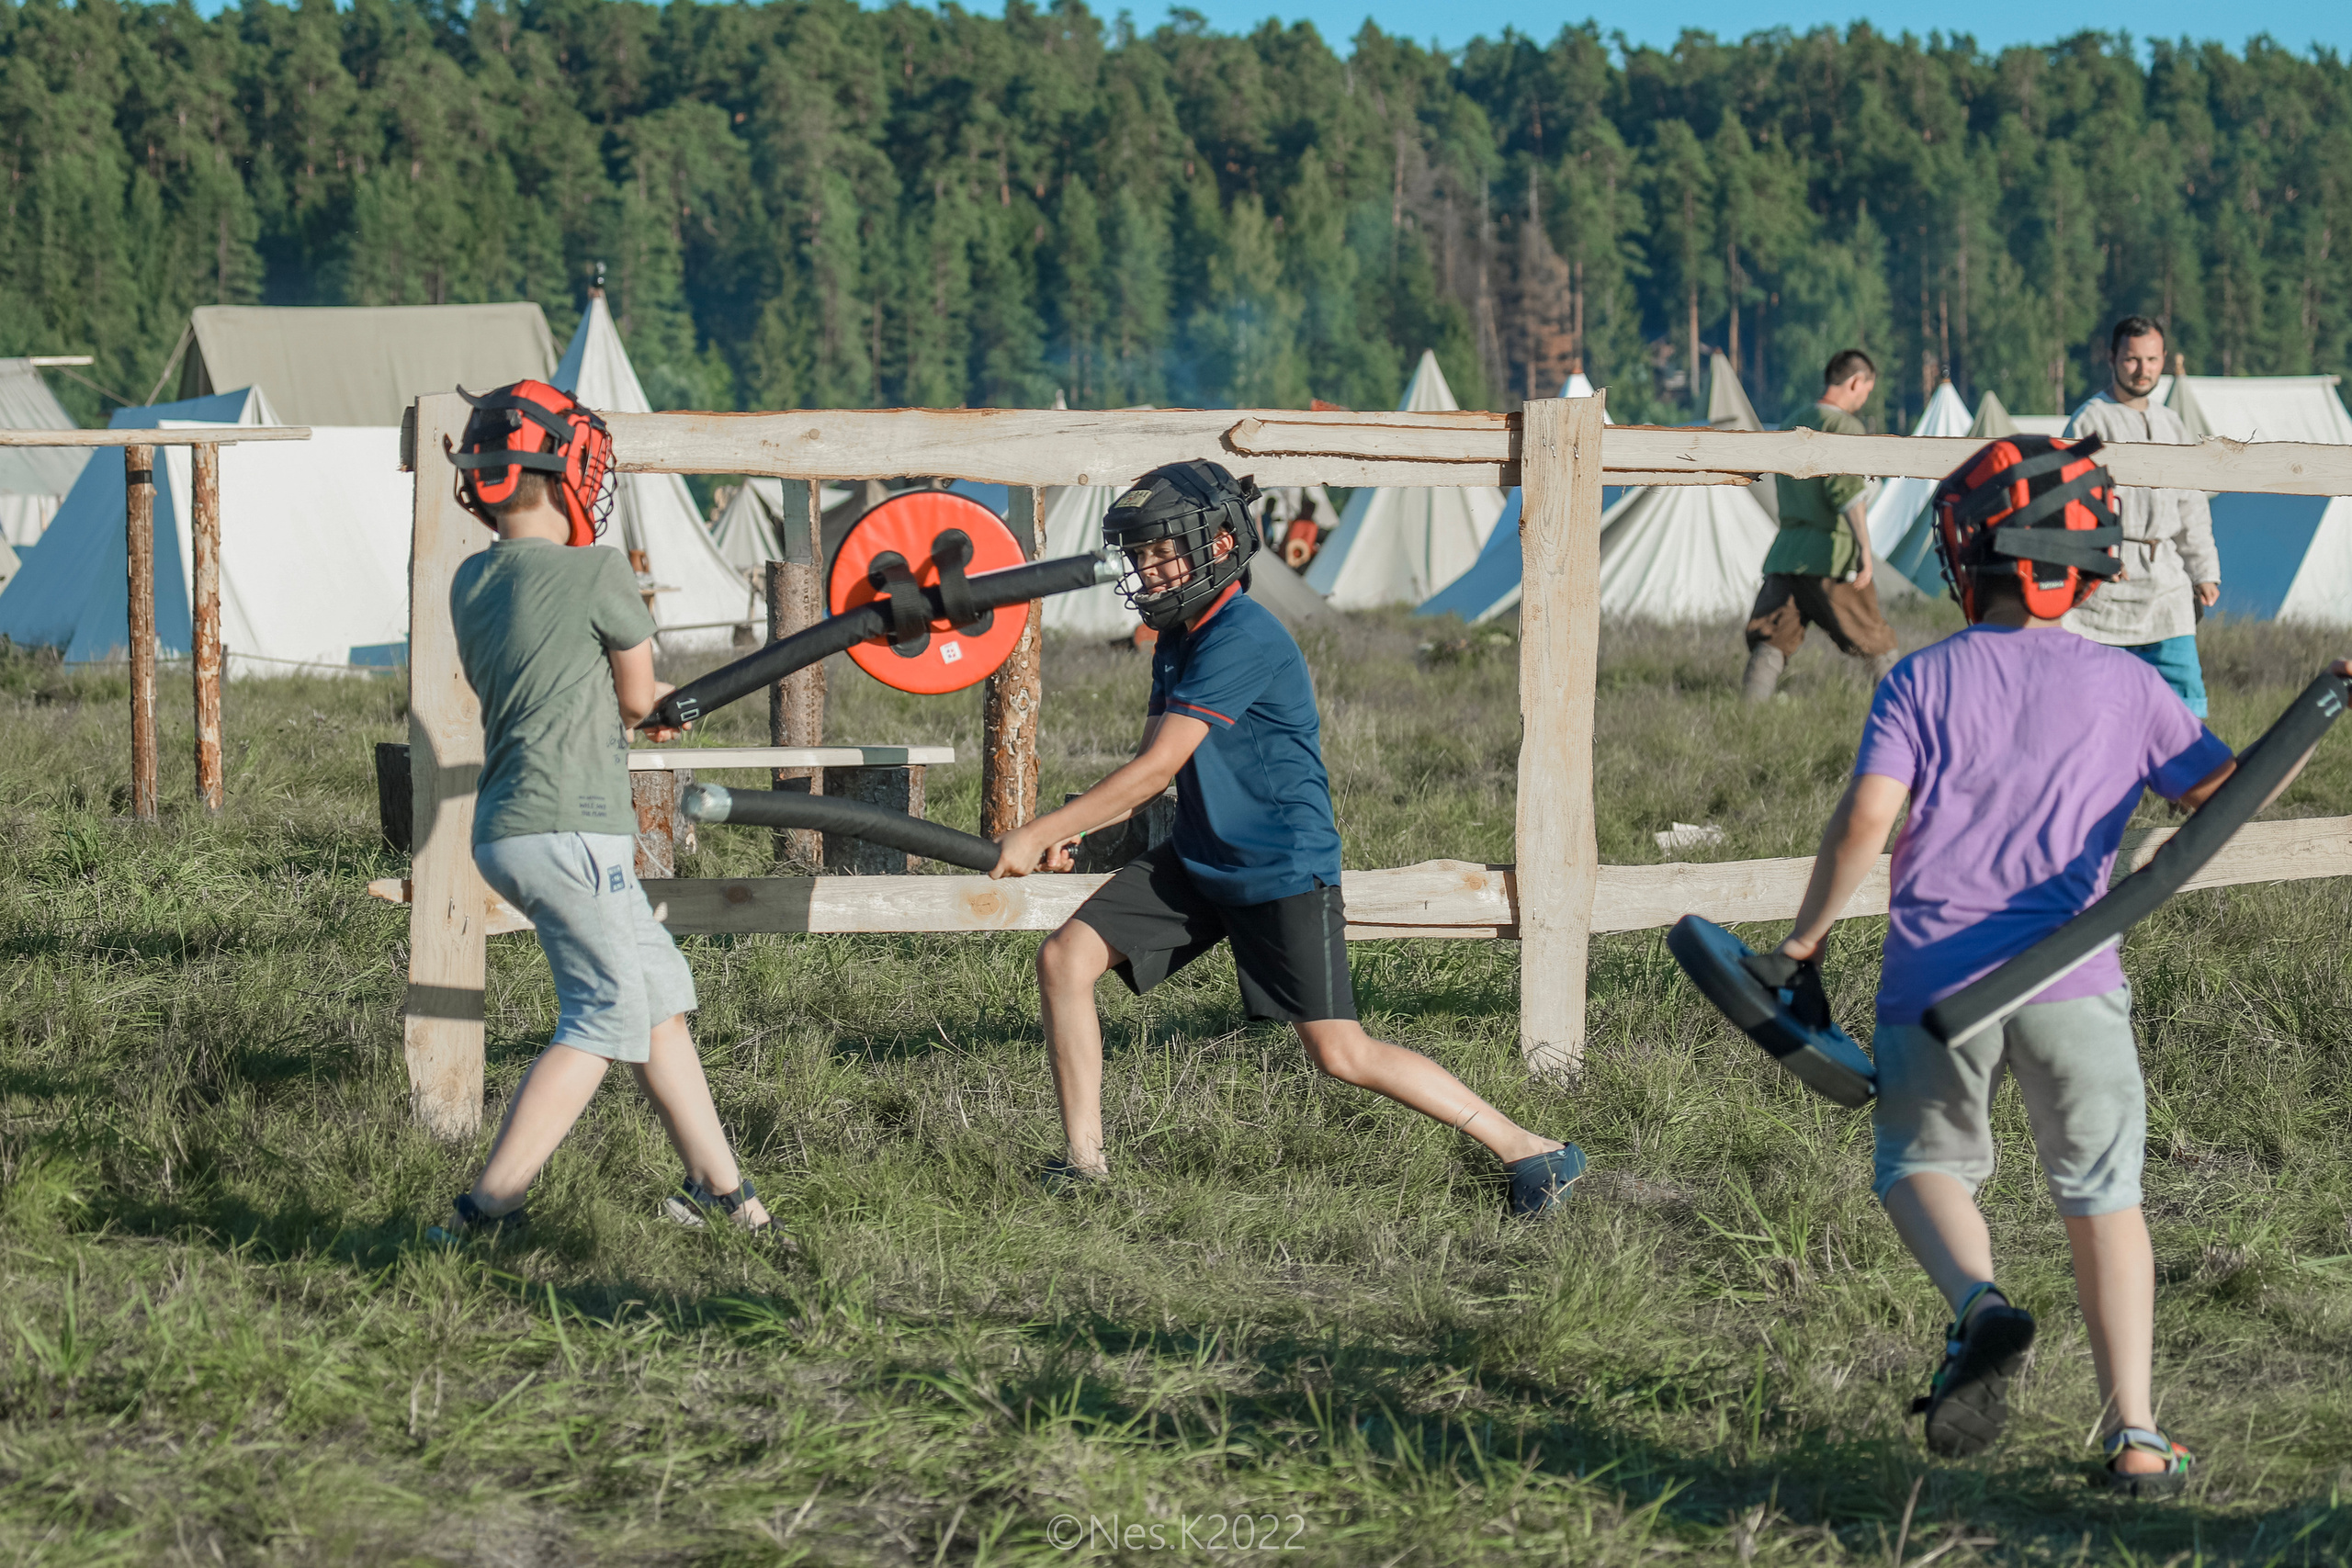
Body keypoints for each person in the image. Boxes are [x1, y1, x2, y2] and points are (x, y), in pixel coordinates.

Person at [1768, 434, 2335, 1492]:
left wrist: (1804, 943)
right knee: (2103, 1196)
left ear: (1965, 556)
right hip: (2072, 981)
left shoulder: (1921, 683)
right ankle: (2137, 1438)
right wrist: (2322, 704)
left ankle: (1981, 1309)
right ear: (2090, 562)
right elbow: (2229, 795)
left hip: (1933, 984)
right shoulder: (2125, 690)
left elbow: (1865, 822)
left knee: (1922, 1166)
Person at [989, 461, 1585, 1217]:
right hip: (1204, 856)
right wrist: (1075, 836)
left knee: (1340, 1052)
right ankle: (1085, 1165)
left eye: (1161, 552)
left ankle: (1531, 1149)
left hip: (1279, 869)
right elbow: (1152, 769)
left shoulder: (1241, 634)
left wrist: (1041, 826)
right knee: (1064, 958)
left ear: (1222, 542)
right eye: (1138, 556)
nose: (1147, 570)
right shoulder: (1175, 640)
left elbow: (1157, 768)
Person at [426, 381, 776, 1243]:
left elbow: (551, 680)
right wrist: (647, 701)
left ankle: (725, 1196)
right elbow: (631, 694)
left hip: (509, 825)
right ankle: (483, 1212)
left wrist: (627, 699)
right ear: (566, 471)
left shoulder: (470, 579)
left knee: (654, 999)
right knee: (602, 1015)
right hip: (575, 826)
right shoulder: (598, 569)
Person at [2063, 316, 2221, 716]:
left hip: (2165, 581)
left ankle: (2190, 778)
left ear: (2163, 358)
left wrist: (2204, 571)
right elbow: (2070, 503)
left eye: (2151, 359)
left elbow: (2191, 505)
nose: (2143, 369)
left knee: (2186, 705)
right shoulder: (2089, 420)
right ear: (2113, 357)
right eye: (2132, 359)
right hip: (2107, 585)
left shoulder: (2172, 423)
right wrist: (2094, 559)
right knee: (2098, 709)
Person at [1744, 349, 1902, 704]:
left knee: (1772, 641)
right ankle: (1901, 718)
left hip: (1787, 554)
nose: (1863, 401)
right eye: (1866, 392)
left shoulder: (1794, 419)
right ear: (1855, 382)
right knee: (1877, 641)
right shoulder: (1845, 426)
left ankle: (1747, 722)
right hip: (1831, 556)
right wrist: (1863, 549)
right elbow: (1846, 493)